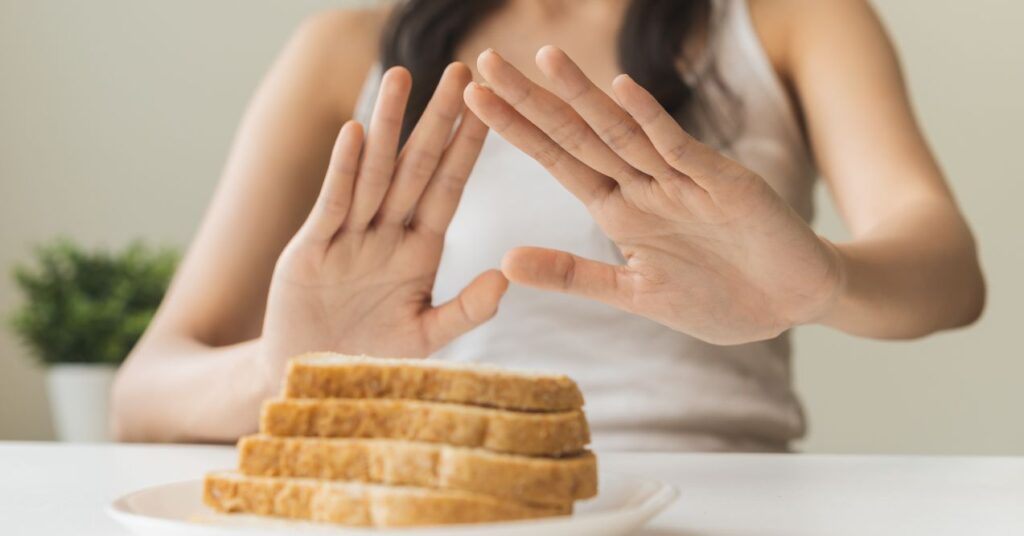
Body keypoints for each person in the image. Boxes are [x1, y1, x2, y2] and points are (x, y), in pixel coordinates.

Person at [111, 0, 985, 451]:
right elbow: (142, 395)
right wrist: (289, 379)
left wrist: (826, 282)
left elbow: (946, 272)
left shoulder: (787, 19)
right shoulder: (344, 47)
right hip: (446, 505)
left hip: (732, 501)